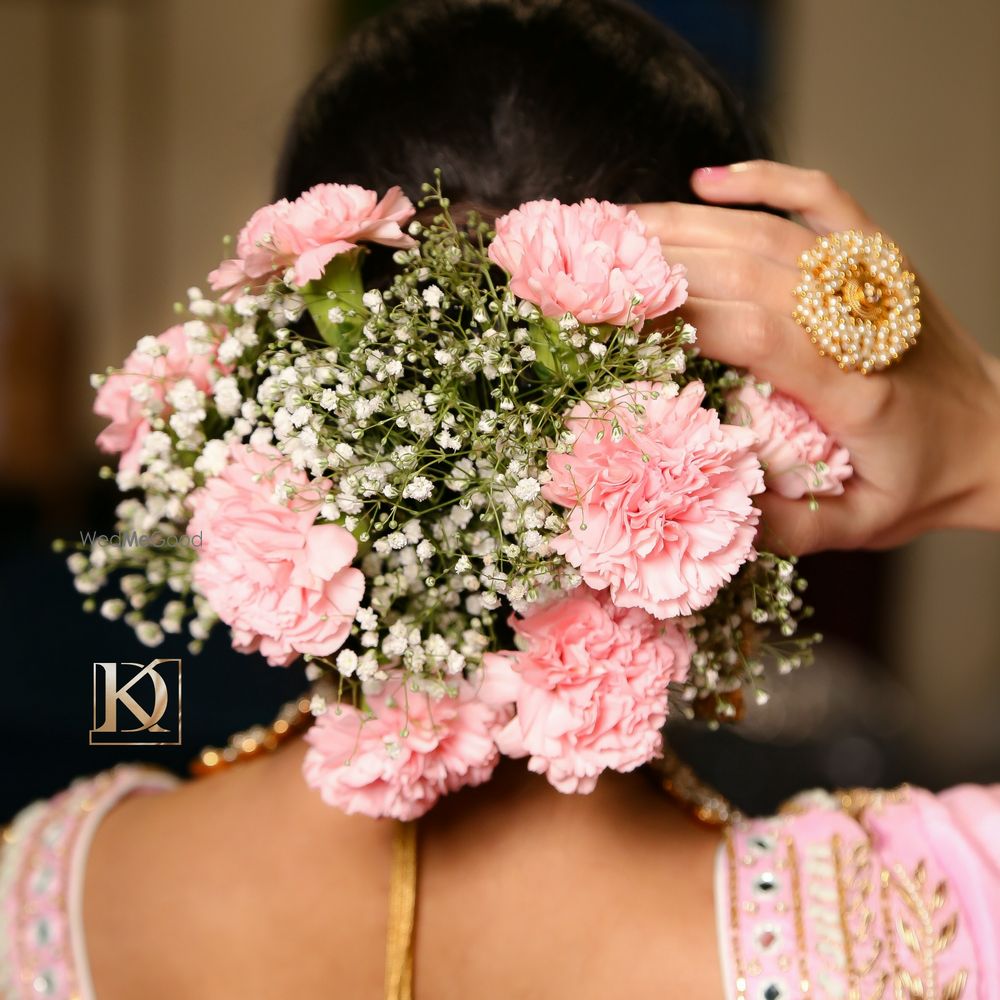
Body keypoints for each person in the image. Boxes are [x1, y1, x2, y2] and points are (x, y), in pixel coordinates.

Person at [2, 2, 998, 998]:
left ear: (279, 372)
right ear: (746, 427)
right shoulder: (914, 917)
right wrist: (977, 437)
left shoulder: (45, 886)